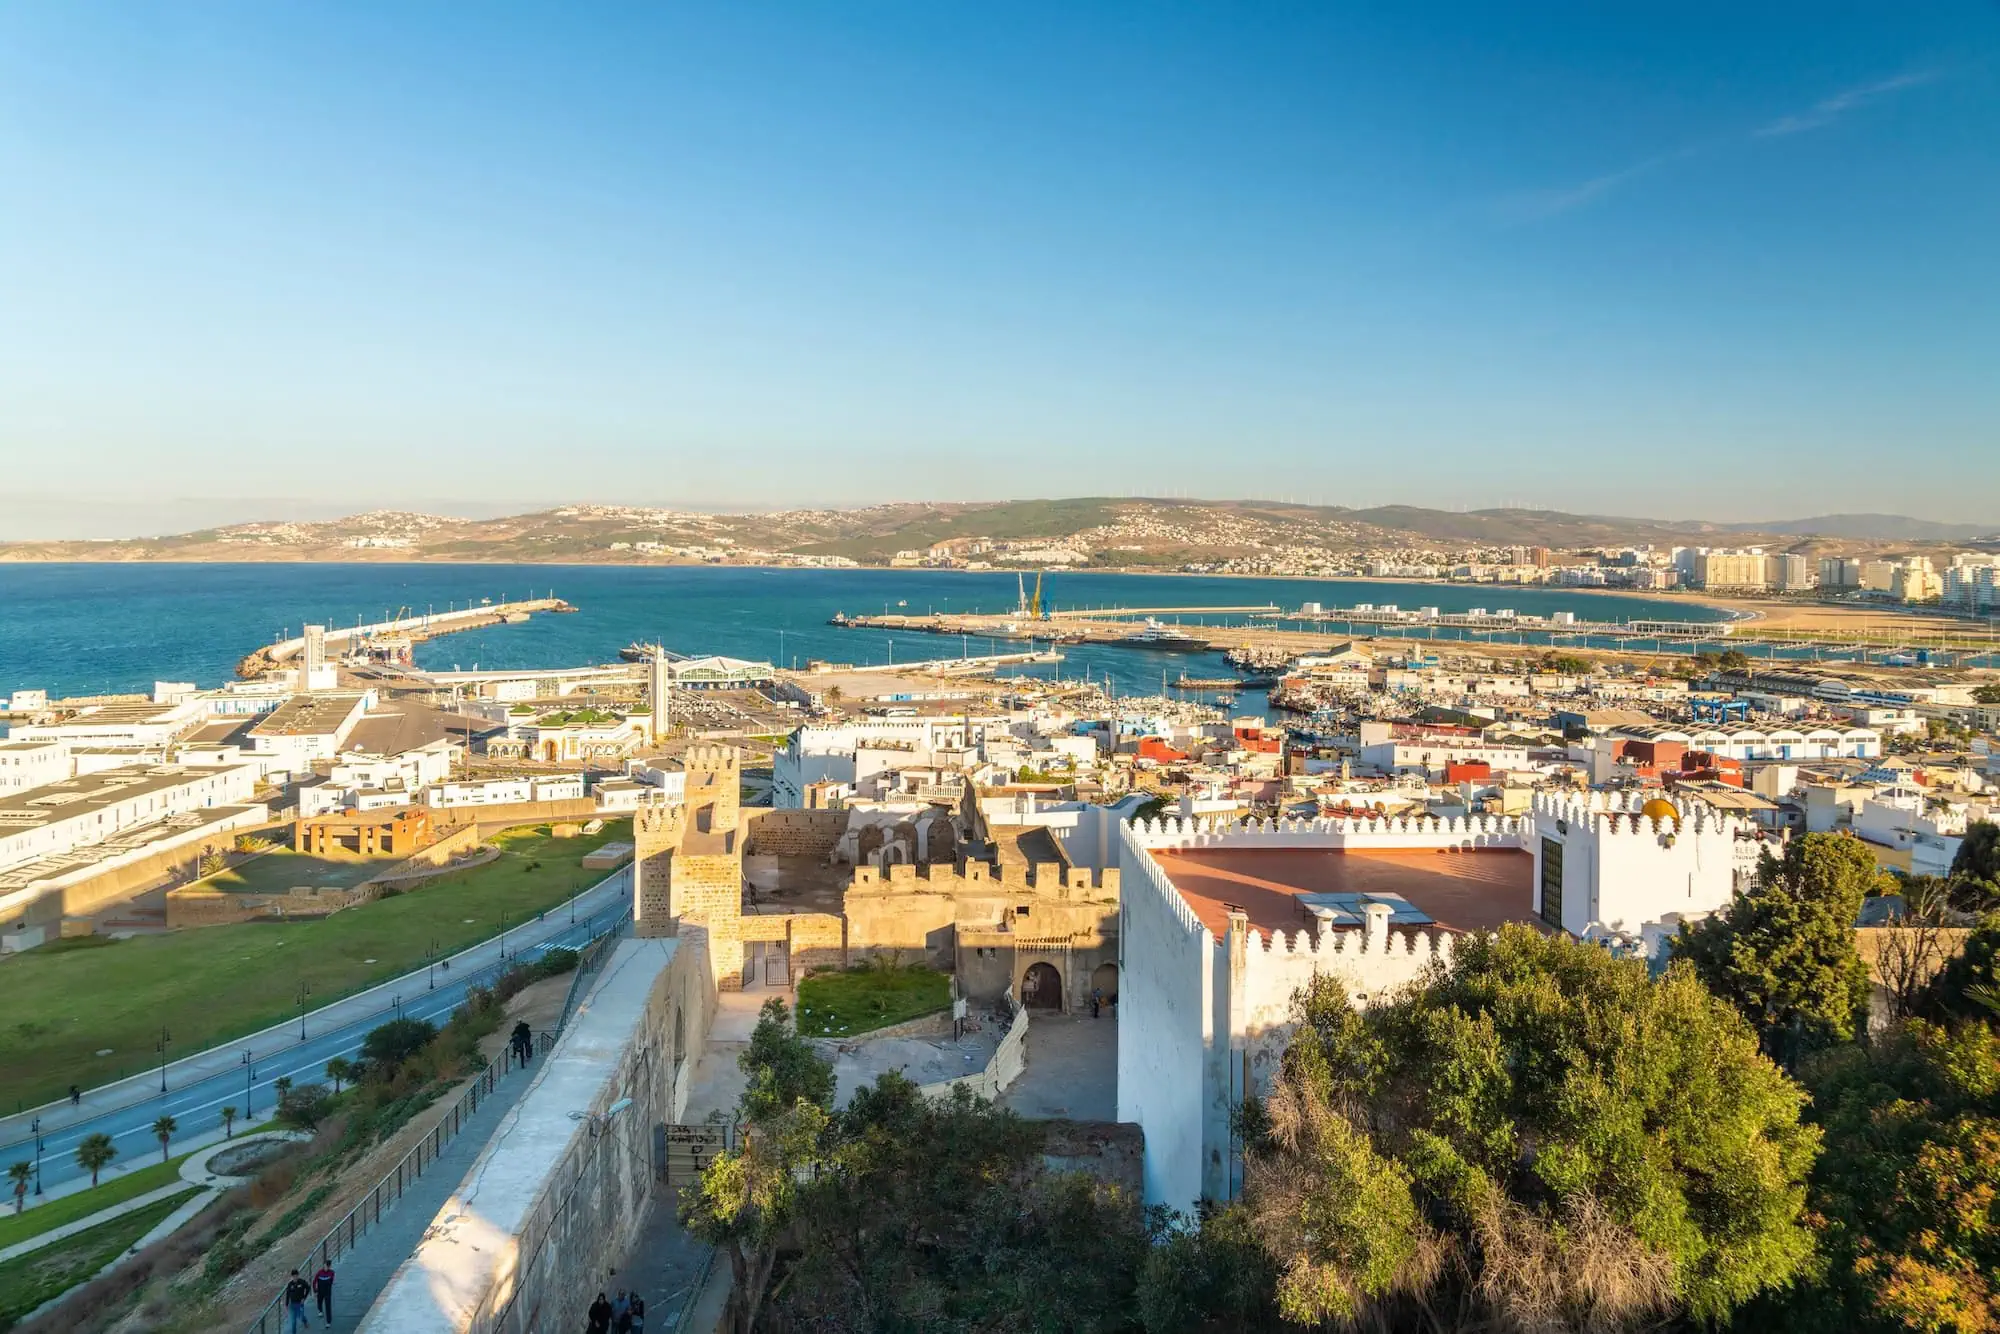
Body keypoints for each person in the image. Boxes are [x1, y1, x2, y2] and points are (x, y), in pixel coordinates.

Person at [313, 1261, 335, 1326]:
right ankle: (320, 1311)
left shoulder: (332, 1273)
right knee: (319, 1302)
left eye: (326, 1266)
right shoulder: (319, 1273)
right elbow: (314, 1281)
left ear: (329, 1267)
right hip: (320, 1291)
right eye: (324, 1266)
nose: (324, 1267)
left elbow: (331, 1282)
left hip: (327, 1292)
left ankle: (328, 1322)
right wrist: (315, 1291)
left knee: (328, 1306)